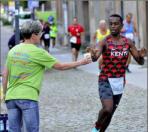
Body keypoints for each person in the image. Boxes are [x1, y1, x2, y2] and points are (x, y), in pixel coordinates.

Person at [2, 20, 92, 132]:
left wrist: (5, 94)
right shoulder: (38, 52)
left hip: (11, 98)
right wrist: (81, 62)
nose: (41, 36)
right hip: (28, 97)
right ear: (33, 35)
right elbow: (60, 66)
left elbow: (5, 74)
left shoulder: (13, 51)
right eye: (40, 33)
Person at [86, 14, 146, 132]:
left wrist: (142, 56)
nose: (113, 26)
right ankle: (97, 127)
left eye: (116, 24)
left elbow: (139, 61)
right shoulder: (104, 42)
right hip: (105, 79)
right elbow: (95, 56)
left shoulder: (128, 42)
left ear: (121, 26)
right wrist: (93, 55)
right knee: (107, 109)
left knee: (110, 114)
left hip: (119, 82)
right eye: (111, 24)